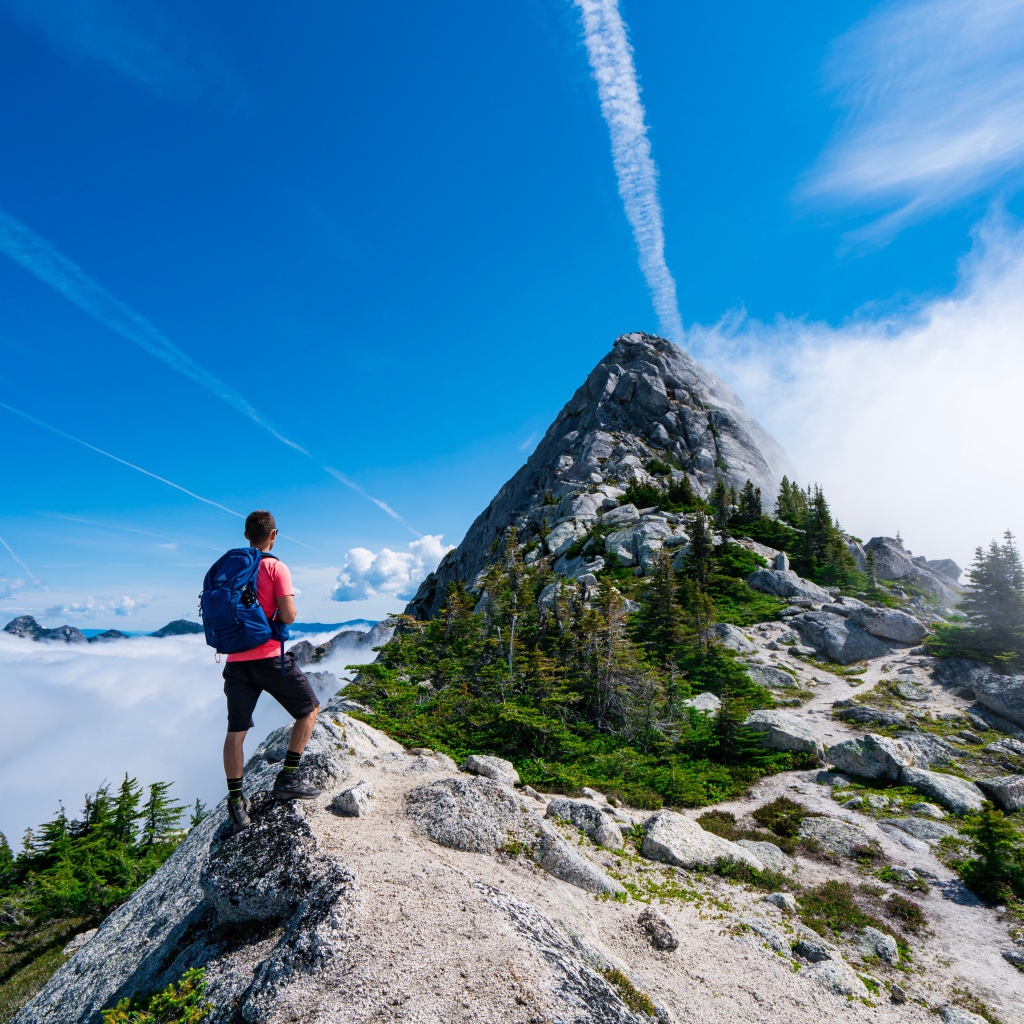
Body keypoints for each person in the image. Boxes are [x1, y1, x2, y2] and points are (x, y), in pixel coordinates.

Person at [223, 510, 321, 829]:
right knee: (309, 710)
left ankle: (236, 803)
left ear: (246, 536)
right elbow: (289, 615)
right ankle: (287, 779)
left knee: (235, 734)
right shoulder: (276, 567)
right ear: (274, 535)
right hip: (268, 657)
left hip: (236, 662)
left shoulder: (229, 571)